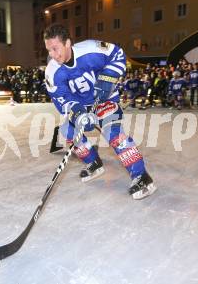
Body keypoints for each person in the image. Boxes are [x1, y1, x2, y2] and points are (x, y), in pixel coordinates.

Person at [43, 24, 157, 200]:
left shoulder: (90, 48)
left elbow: (118, 54)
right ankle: (93, 163)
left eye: (55, 48)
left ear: (67, 43)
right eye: (48, 50)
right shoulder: (52, 71)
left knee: (114, 134)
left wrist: (107, 80)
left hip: (106, 100)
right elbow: (61, 100)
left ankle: (142, 177)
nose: (52, 54)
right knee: (67, 131)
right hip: (82, 107)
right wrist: (78, 113)